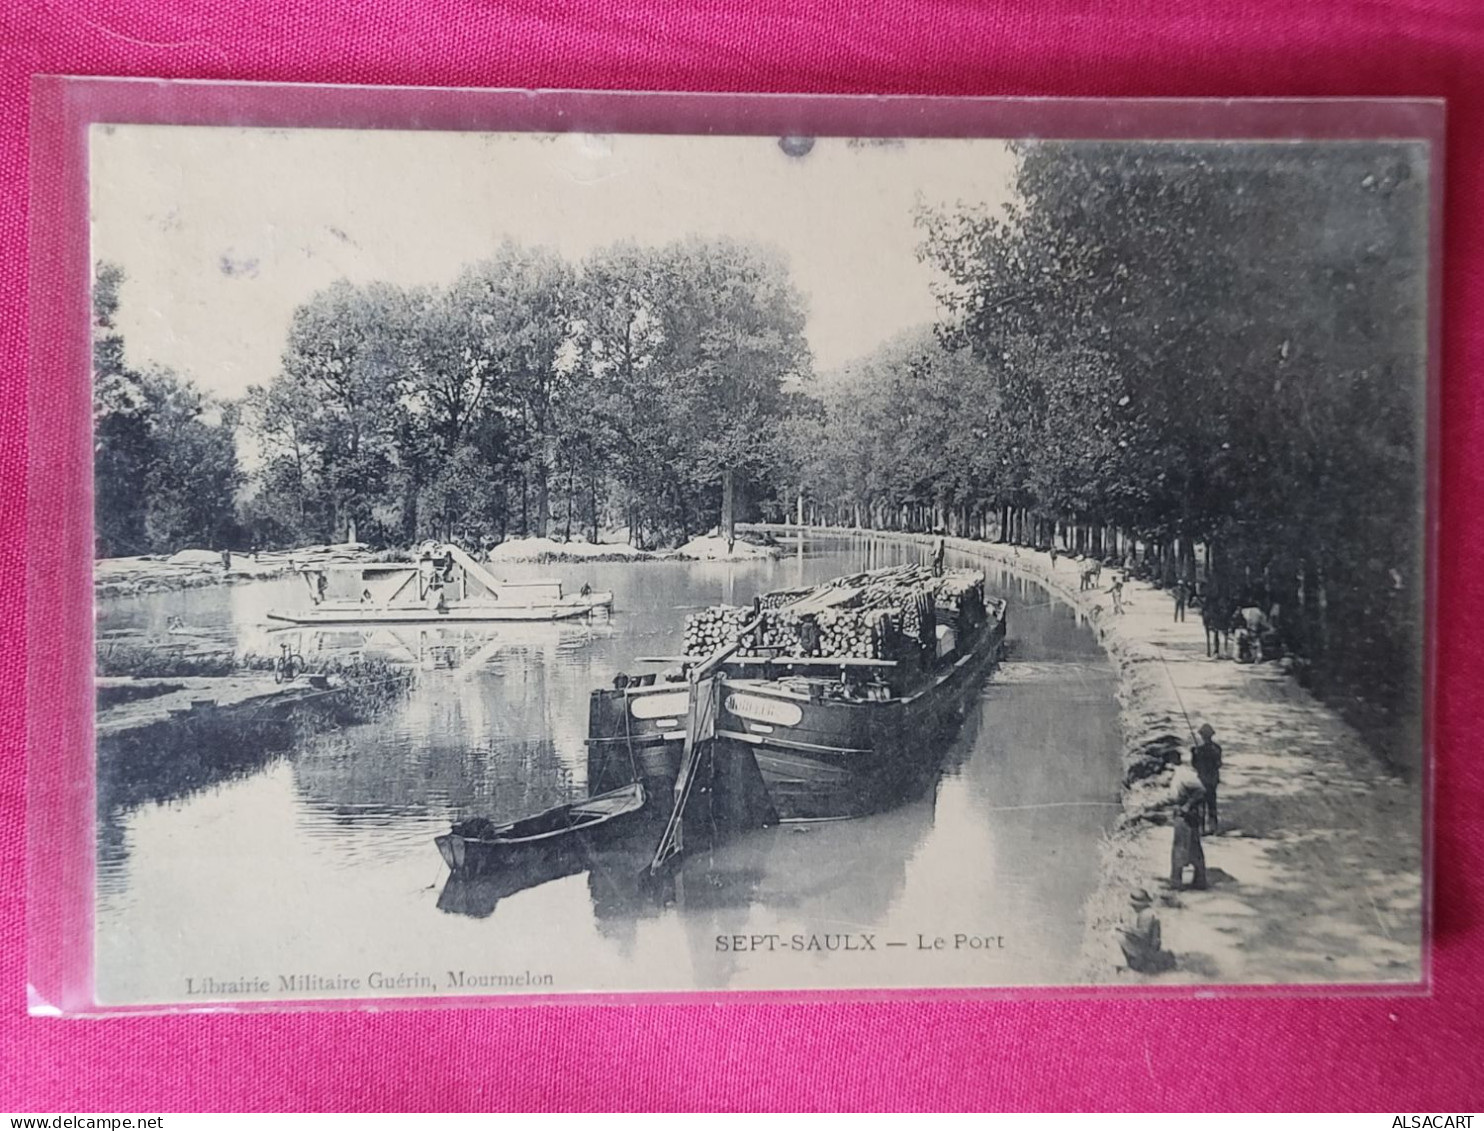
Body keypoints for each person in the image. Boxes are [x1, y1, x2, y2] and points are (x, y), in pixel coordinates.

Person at [1168, 751, 1209, 891]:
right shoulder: (1177, 775)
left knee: (1182, 849)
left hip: (1187, 816)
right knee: (1191, 848)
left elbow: (1201, 791)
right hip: (1181, 814)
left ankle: (1177, 883)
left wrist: (1187, 806)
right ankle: (1198, 881)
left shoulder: (1184, 775)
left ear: (1172, 763)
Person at [1117, 889, 1176, 974]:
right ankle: (1135, 961)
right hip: (1151, 946)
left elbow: (1144, 935)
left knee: (1119, 936)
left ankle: (1134, 963)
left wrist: (1127, 929)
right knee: (1122, 933)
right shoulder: (1146, 912)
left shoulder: (1146, 915)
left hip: (1148, 949)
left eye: (1134, 904)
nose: (1132, 906)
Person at [1190, 722, 1223, 834]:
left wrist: (1195, 754)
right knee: (1212, 803)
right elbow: (1219, 764)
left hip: (1203, 780)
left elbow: (1194, 765)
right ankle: (1213, 828)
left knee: (1202, 805)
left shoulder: (1198, 750)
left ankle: (1202, 828)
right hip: (1212, 780)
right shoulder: (1217, 748)